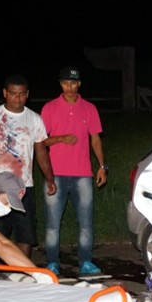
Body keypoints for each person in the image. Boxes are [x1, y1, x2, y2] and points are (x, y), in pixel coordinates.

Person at [0, 74, 57, 266]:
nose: (17, 98)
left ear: (27, 94)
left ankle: (20, 274)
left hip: (23, 186)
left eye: (22, 94)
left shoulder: (35, 119)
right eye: (13, 93)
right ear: (5, 93)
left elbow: (41, 152)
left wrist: (49, 179)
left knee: (26, 234)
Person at [40, 67, 108, 277]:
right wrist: (60, 138)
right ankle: (52, 262)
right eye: (65, 83)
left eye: (73, 83)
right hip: (55, 174)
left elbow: (95, 139)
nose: (69, 87)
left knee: (86, 222)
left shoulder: (89, 109)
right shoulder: (50, 108)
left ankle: (85, 261)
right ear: (60, 84)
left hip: (83, 174)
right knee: (53, 223)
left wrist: (102, 166)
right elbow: (41, 141)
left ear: (79, 84)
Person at [0, 172, 51, 280]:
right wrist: (38, 274)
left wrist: (37, 273)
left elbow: (1, 242)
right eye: (7, 202)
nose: (8, 209)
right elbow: (0, 244)